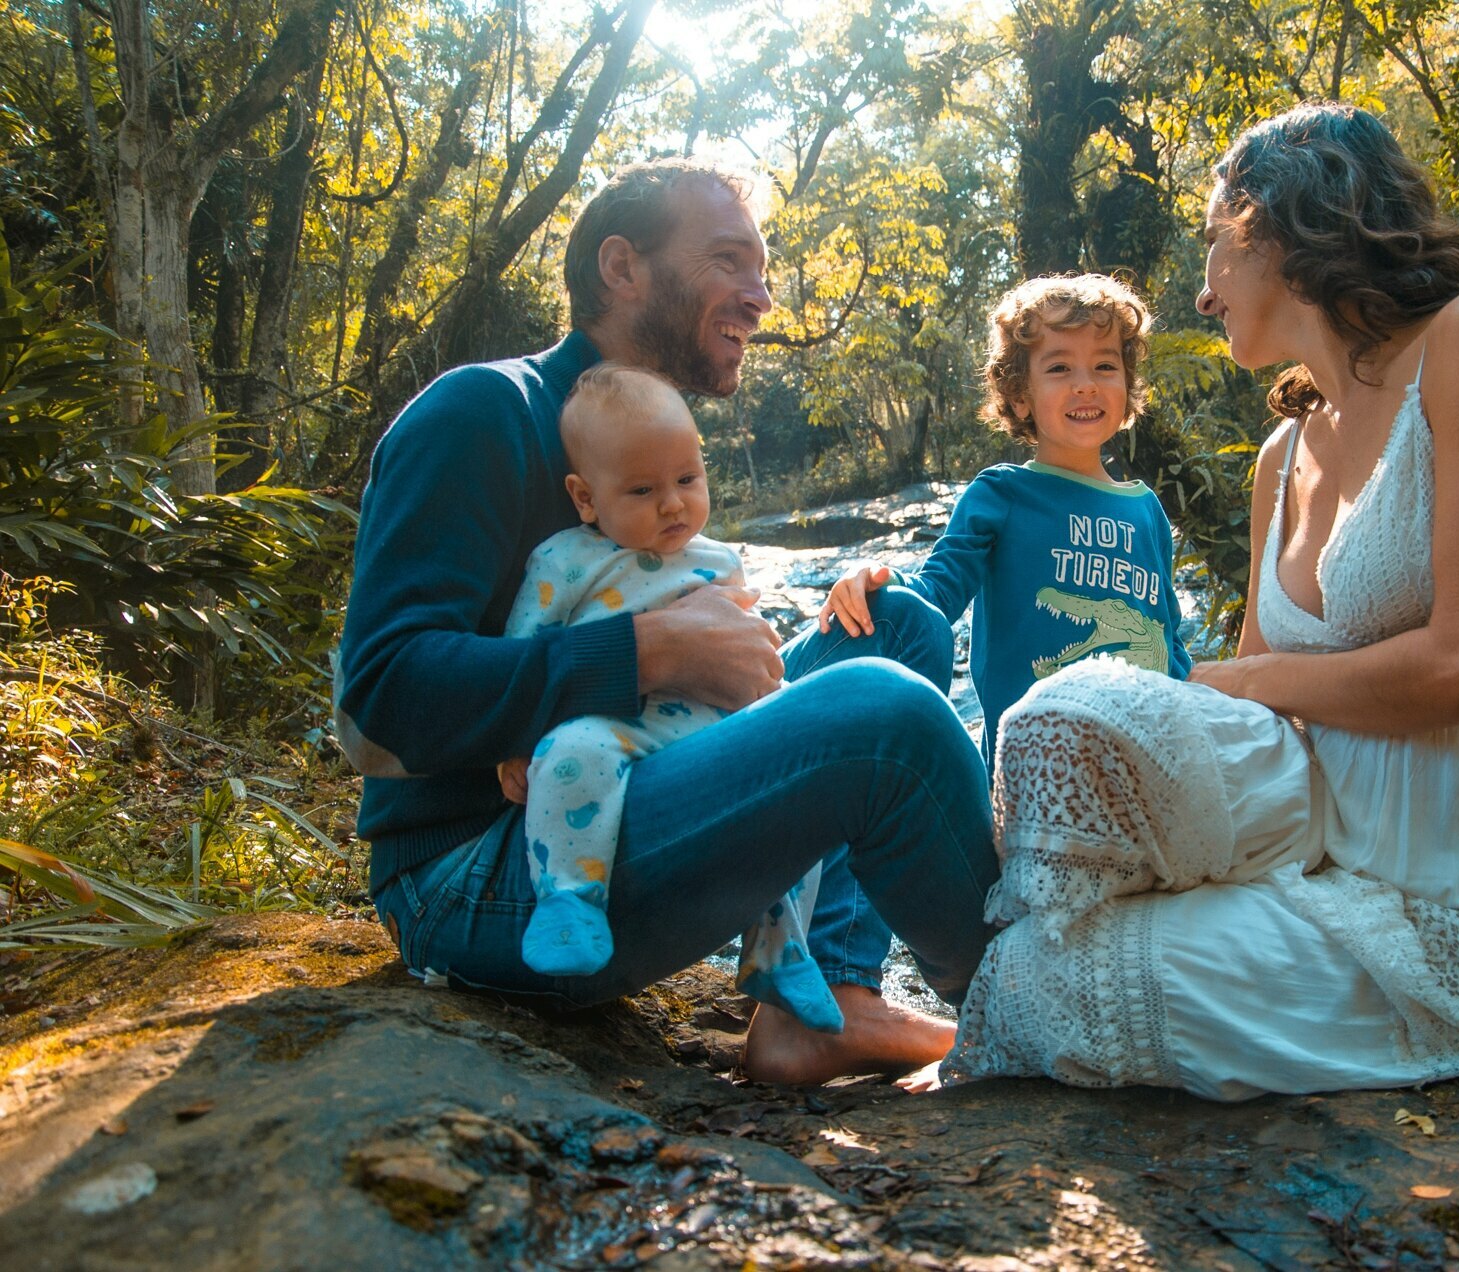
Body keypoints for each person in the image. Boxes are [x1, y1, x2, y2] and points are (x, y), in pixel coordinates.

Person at [933, 102, 1459, 1100]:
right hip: (1319, 840)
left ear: (1277, 226)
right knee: (1062, 719)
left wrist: (1236, 675)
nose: (1206, 293)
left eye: (1216, 248)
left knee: (1050, 979)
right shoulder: (1283, 454)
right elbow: (1249, 726)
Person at [334, 158, 998, 1085]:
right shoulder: (483, 413)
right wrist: (650, 650)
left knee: (899, 629)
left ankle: (830, 1001)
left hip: (633, 791)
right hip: (486, 874)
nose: (760, 297)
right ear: (622, 268)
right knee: (883, 717)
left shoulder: (650, 451)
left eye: (760, 270)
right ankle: (1040, 1007)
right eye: (730, 260)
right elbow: (377, 702)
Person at [495, 363, 842, 1034]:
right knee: (569, 756)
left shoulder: (720, 561)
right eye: (643, 490)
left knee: (799, 796)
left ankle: (781, 948)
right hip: (613, 726)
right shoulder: (567, 560)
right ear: (587, 498)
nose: (674, 505)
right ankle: (569, 900)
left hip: (712, 735)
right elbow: (525, 650)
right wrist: (513, 740)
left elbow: (748, 653)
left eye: (687, 480)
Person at [820, 274, 1192, 769]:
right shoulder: (1001, 494)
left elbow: (1170, 641)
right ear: (1020, 396)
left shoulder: (1147, 510)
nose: (1086, 383)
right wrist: (877, 581)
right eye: (1059, 367)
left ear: (1126, 385)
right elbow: (936, 595)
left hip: (1140, 767)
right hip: (1027, 774)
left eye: (1105, 365)